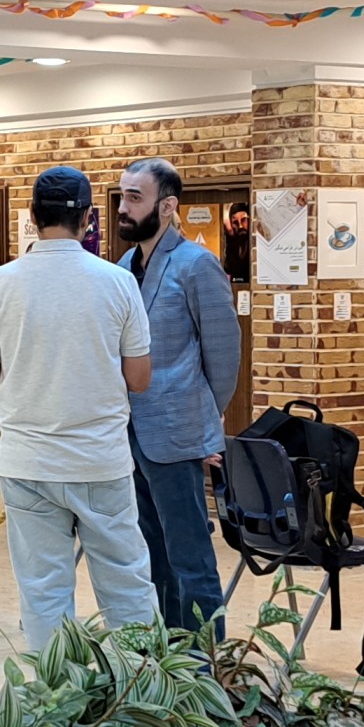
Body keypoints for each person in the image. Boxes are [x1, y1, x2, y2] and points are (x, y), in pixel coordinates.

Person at [0, 165, 159, 651]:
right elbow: (139, 380)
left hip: (27, 463)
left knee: (43, 592)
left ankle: (55, 689)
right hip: (100, 461)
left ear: (33, 217)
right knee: (126, 585)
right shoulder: (118, 282)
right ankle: (140, 687)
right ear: (89, 218)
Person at [114, 157, 241, 641]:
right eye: (122, 196)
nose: (124, 208)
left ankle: (205, 662)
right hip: (130, 433)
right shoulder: (123, 268)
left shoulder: (196, 264)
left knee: (190, 556)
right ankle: (169, 657)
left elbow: (223, 355)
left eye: (135, 198)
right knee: (152, 554)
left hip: (177, 432)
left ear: (167, 207)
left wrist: (204, 420)